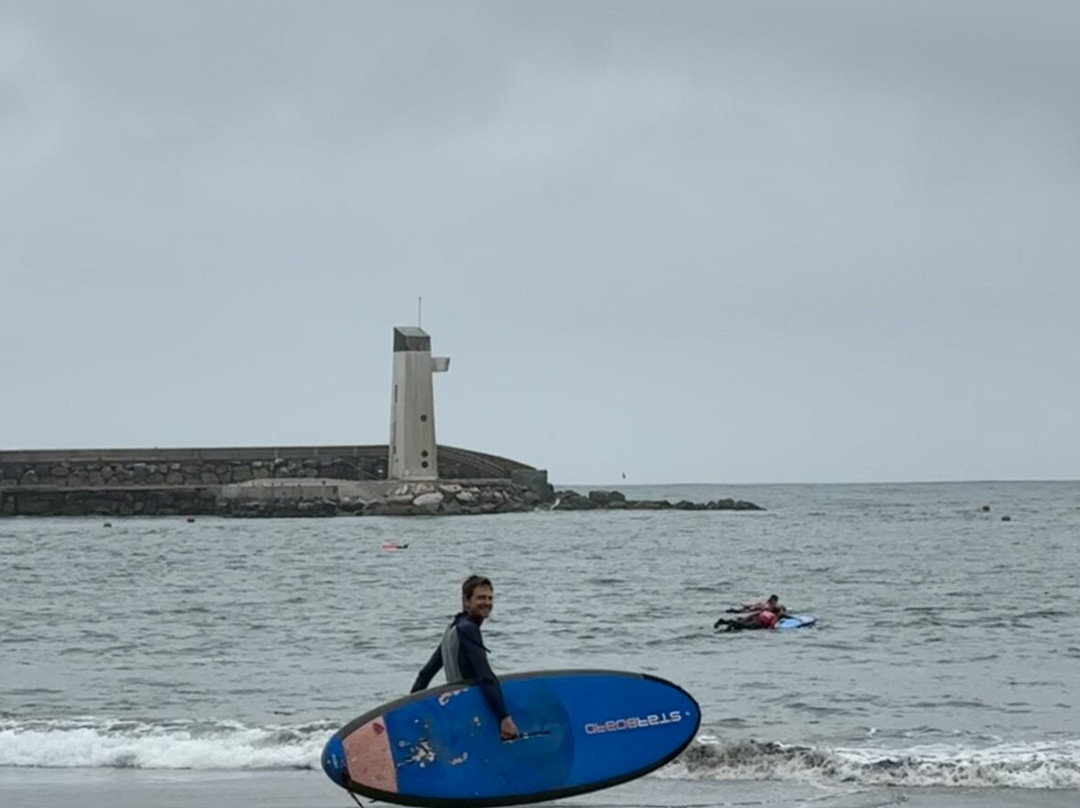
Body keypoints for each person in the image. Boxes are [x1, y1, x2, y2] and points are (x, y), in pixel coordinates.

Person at [411, 575, 519, 740]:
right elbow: (485, 676)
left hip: (457, 710)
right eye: (480, 598)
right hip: (472, 710)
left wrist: (411, 709)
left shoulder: (453, 630)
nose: (487, 603)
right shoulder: (469, 629)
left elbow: (425, 674)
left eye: (490, 598)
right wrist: (504, 717)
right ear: (466, 600)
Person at [714, 605, 785, 631]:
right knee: (744, 626)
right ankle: (733, 624)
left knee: (741, 622)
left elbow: (757, 614)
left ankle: (724, 621)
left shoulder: (766, 611)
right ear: (778, 612)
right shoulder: (774, 616)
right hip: (758, 622)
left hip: (754, 617)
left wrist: (747, 617)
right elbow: (771, 626)